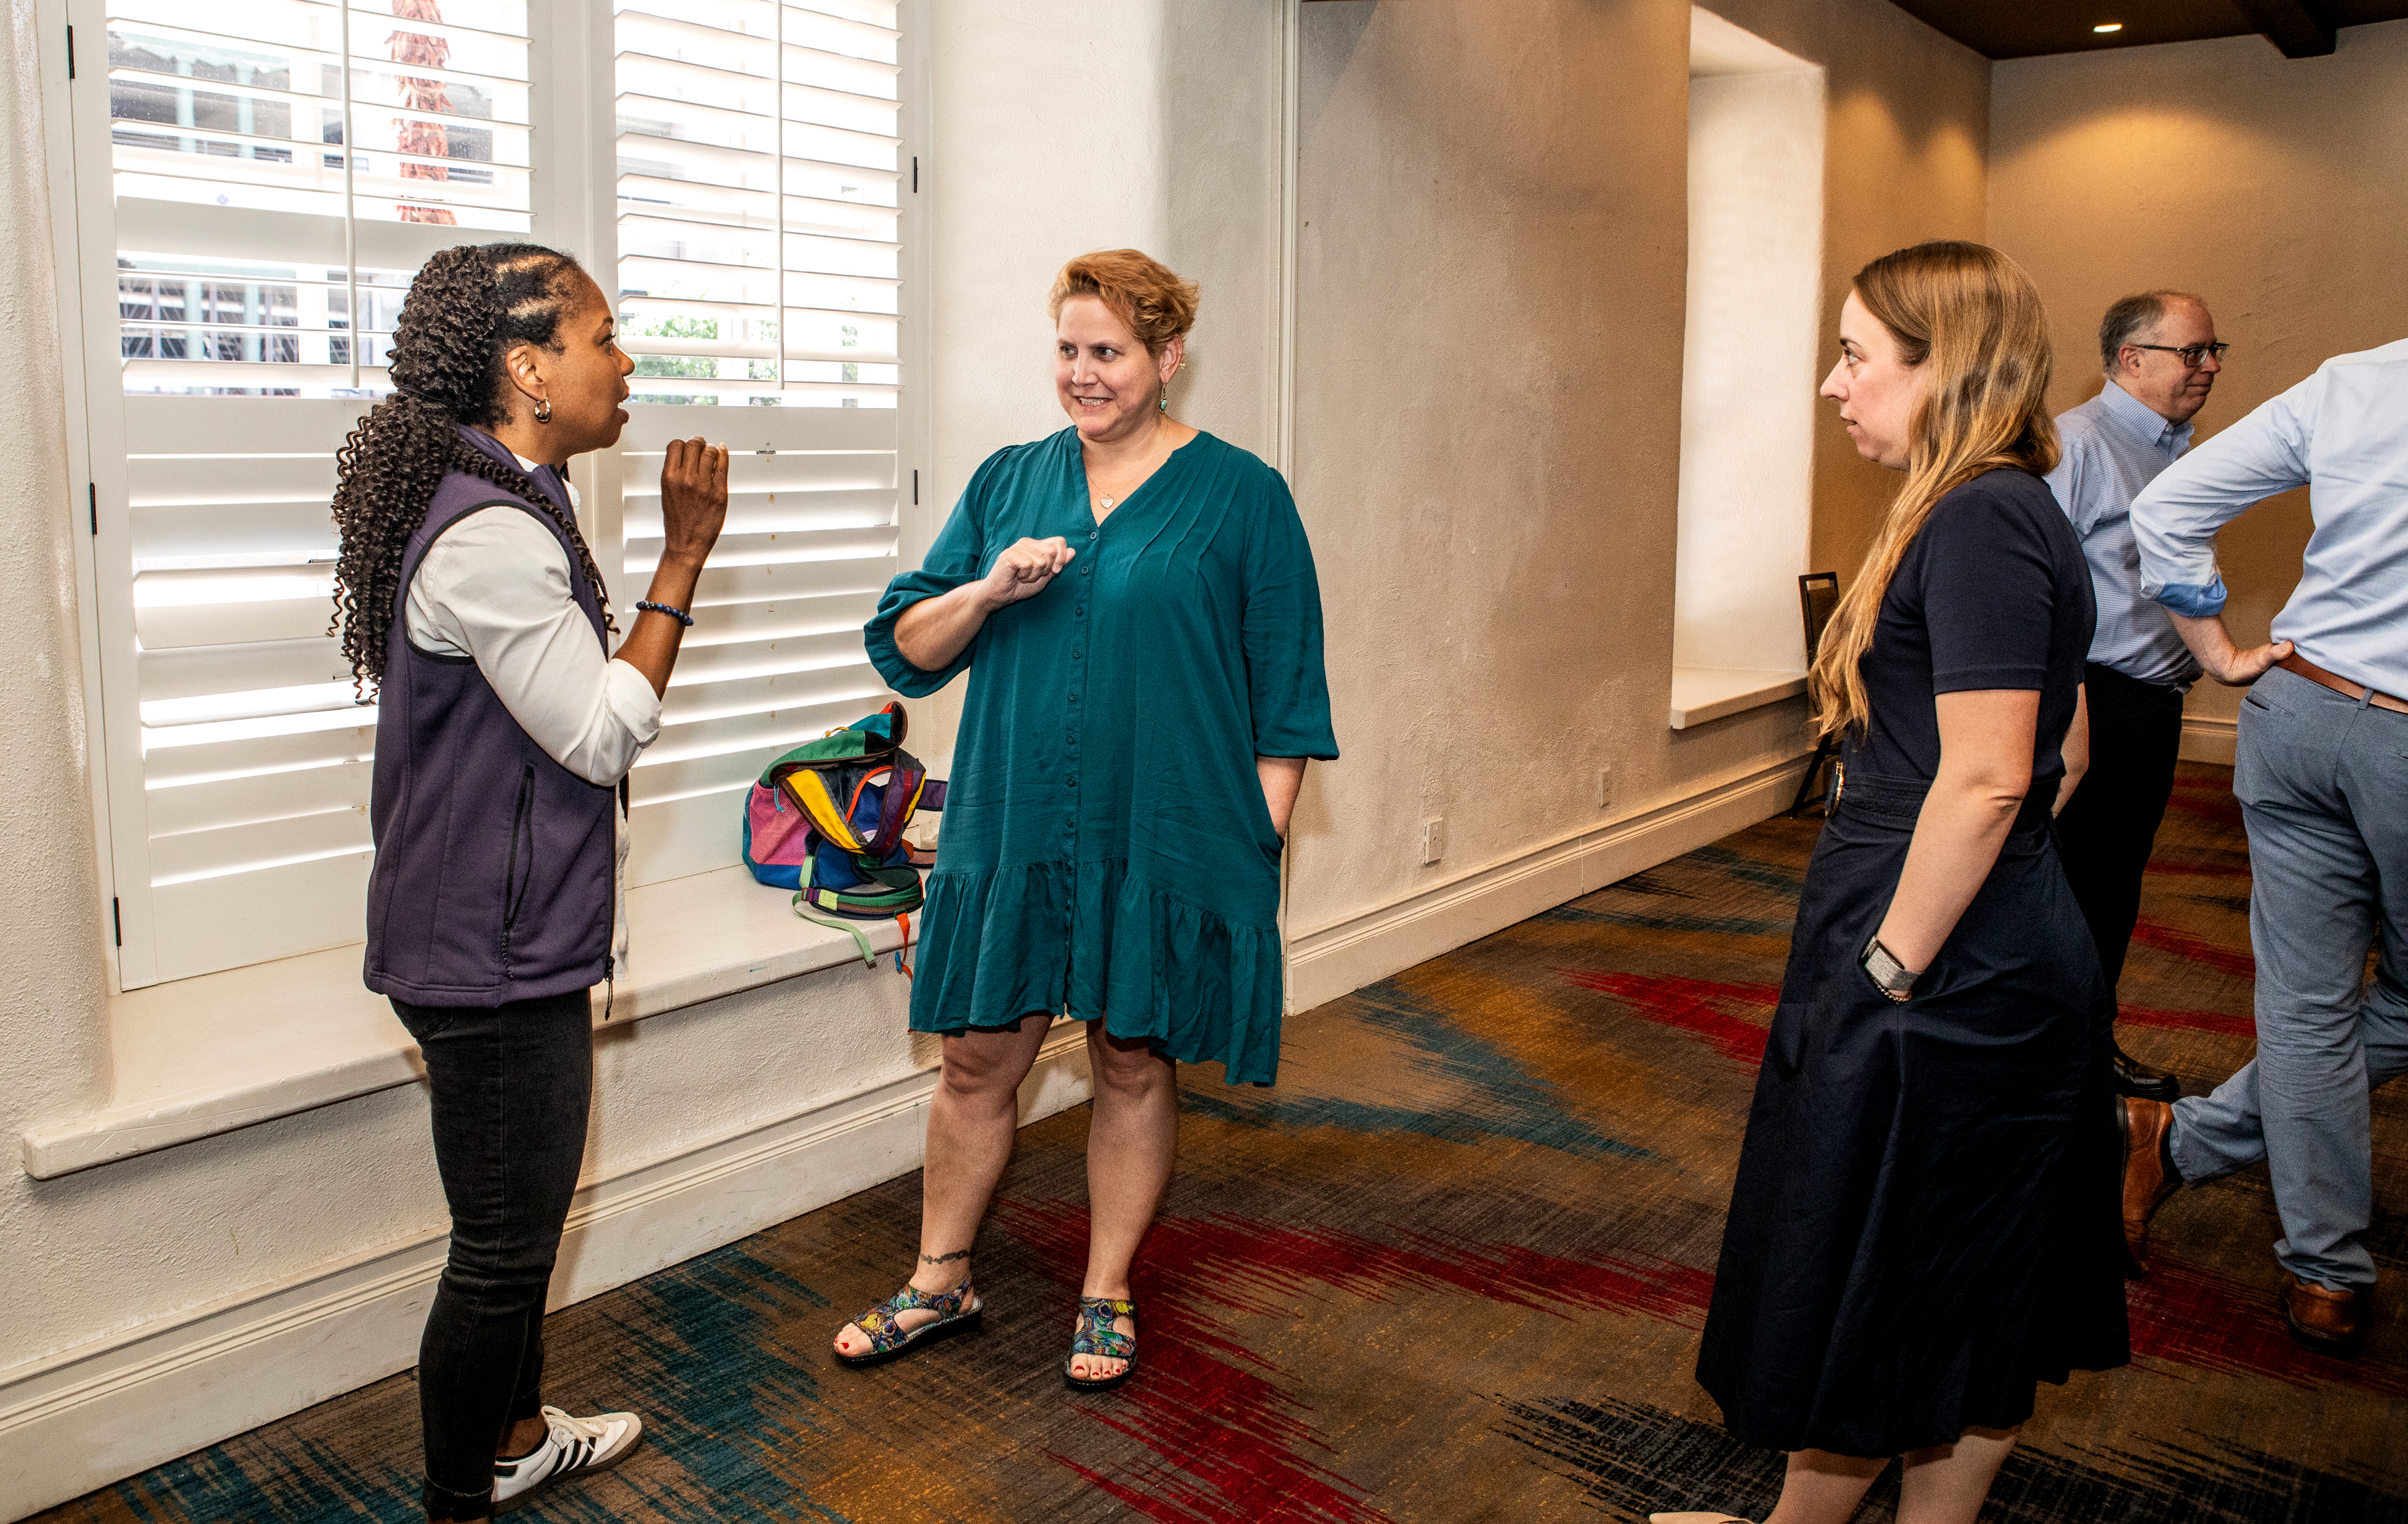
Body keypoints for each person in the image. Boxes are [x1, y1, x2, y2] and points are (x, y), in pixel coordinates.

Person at [1658, 242, 2128, 1524]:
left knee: (1880, 1257)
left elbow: (1988, 779)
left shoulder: (1977, 517)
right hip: (1989, 937)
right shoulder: (2009, 503)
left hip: (1945, 961)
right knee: (1959, 1269)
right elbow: (2066, 749)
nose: (1831, 382)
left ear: (1947, 367)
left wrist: (1894, 960)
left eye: (1859, 354)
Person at [832, 249, 1336, 1390]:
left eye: (1106, 351)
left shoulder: (1243, 494)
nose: (1082, 373)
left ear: (1166, 360)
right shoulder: (1012, 480)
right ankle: (939, 1275)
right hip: (1013, 823)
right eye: (1067, 349)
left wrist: (1255, 842)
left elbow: (1287, 691)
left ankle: (1105, 1289)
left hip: (1161, 827)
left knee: (1131, 1056)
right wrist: (988, 588)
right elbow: (907, 647)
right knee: (974, 1058)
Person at [331, 243, 728, 1521]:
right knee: (502, 1250)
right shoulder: (493, 530)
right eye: (602, 338)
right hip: (486, 960)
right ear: (526, 366)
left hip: (490, 937)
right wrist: (681, 561)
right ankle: (461, 1492)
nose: (624, 365)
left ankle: (512, 1434)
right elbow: (601, 730)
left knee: (522, 1222)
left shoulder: (509, 496)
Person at [2119, 337, 2408, 1358]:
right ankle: (2308, 1256)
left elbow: (2164, 509)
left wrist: (2218, 651)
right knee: (2370, 1005)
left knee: (2307, 1007)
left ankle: (2307, 1256)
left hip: (2297, 708)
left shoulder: (2358, 380)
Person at [2046, 291, 2228, 1103]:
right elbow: (2033, 593)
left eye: (2213, 350)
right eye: (2193, 352)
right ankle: (2052, 1059)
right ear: (2132, 360)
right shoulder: (2076, 443)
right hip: (2093, 704)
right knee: (2073, 886)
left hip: (2151, 707)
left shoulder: (2177, 450)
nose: (2210, 366)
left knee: (2114, 886)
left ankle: (2085, 1046)